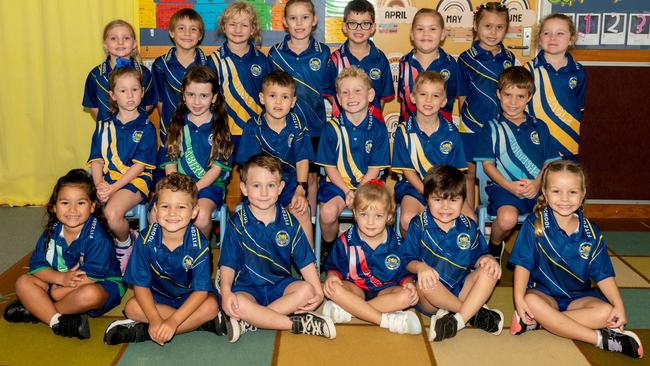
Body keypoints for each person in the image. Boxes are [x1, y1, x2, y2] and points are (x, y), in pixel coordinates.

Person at [509, 161, 643, 359]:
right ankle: (600, 340)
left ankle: (539, 322)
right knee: (531, 302)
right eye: (556, 191)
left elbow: (603, 274)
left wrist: (619, 305)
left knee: (607, 312)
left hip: (578, 298)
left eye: (572, 192)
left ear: (583, 194)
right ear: (544, 192)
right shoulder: (534, 224)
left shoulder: (591, 233)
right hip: (544, 295)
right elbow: (523, 264)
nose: (564, 199)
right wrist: (519, 299)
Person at [219, 155, 336, 342]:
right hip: (247, 288)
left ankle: (253, 320)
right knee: (238, 302)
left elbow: (305, 261)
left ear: (280, 188)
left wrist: (318, 291)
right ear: (244, 189)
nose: (264, 192)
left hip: (280, 287)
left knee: (307, 290)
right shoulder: (237, 224)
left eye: (271, 185)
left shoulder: (290, 222)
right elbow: (227, 263)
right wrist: (225, 292)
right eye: (256, 186)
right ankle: (297, 324)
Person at [104, 173, 228, 345]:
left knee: (211, 306)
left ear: (194, 212)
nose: (172, 213)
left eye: (181, 207)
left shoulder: (200, 245)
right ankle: (198, 324)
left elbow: (200, 292)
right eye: (165, 206)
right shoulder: (145, 240)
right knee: (132, 308)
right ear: (155, 209)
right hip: (158, 299)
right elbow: (140, 285)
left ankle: (145, 332)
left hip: (190, 299)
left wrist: (173, 322)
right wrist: (155, 319)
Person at [3, 169, 125, 339]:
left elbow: (93, 276)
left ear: (92, 206)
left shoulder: (97, 236)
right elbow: (37, 267)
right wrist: (60, 279)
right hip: (60, 283)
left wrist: (56, 293)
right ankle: (56, 321)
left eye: (80, 203)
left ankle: (38, 310)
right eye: (65, 203)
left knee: (91, 295)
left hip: (98, 284)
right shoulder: (52, 231)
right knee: (23, 282)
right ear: (53, 207)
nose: (72, 209)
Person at [402, 165, 503, 342]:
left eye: (453, 200)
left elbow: (478, 257)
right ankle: (472, 313)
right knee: (425, 283)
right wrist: (420, 267)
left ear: (463, 201)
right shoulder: (418, 225)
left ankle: (456, 321)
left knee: (491, 270)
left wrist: (487, 259)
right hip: (431, 297)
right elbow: (407, 260)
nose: (445, 207)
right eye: (438, 200)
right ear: (427, 199)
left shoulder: (469, 227)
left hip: (461, 289)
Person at [473, 66, 559, 261]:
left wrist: (537, 183)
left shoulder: (540, 126)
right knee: (506, 220)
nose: (513, 102)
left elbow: (549, 162)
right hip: (503, 188)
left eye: (520, 96)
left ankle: (545, 259)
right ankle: (494, 247)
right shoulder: (491, 127)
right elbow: (487, 165)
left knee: (556, 217)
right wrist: (509, 186)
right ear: (498, 94)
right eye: (508, 95)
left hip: (538, 188)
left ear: (529, 97)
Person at [322, 180, 421, 335]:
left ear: (389, 216)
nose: (370, 222)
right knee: (332, 288)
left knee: (408, 295)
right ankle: (386, 319)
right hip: (356, 290)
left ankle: (352, 310)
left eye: (378, 216)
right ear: (354, 213)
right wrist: (332, 277)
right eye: (364, 214)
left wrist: (409, 283)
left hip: (385, 292)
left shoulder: (397, 244)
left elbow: (405, 274)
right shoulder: (345, 241)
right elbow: (333, 267)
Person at [268, 0, 335, 222]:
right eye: (293, 18)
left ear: (314, 21)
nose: (299, 23)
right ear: (285, 22)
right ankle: (281, 229)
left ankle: (312, 230)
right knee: (280, 178)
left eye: (304, 17)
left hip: (314, 129)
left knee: (312, 179)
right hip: (283, 130)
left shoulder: (324, 53)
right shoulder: (275, 54)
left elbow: (330, 94)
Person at [316, 66, 390, 262]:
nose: (352, 96)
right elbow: (329, 166)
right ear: (338, 99)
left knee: (374, 212)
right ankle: (329, 247)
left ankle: (372, 253)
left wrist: (359, 192)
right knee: (328, 212)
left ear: (370, 94)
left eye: (358, 91)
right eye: (345, 92)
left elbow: (376, 167)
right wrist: (347, 191)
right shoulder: (331, 128)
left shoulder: (379, 128)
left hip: (369, 184)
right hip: (337, 186)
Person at [87, 67, 157, 274]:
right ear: (113, 95)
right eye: (123, 91)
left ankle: (126, 242)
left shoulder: (146, 126)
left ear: (142, 92)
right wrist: (99, 185)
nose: (130, 95)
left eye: (135, 89)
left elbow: (140, 166)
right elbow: (97, 161)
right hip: (107, 181)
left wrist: (113, 188)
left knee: (110, 214)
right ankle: (93, 253)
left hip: (135, 181)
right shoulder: (103, 126)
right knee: (84, 209)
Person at [236, 70, 314, 246]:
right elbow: (247, 169)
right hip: (261, 187)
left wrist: (301, 190)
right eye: (273, 96)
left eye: (285, 97)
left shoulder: (298, 126)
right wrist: (264, 191)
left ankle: (311, 267)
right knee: (259, 214)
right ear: (262, 98)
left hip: (290, 186)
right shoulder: (253, 127)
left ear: (293, 102)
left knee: (301, 211)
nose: (278, 102)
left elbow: (302, 159)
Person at [158, 65, 233, 239]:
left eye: (204, 96)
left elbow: (216, 169)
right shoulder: (176, 123)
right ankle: (167, 255)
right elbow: (170, 163)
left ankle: (201, 253)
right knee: (156, 215)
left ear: (214, 98)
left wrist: (193, 189)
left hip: (208, 187)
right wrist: (176, 189)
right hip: (177, 186)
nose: (197, 102)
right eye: (191, 95)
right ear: (184, 96)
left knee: (201, 217)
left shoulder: (219, 126)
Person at [392, 71, 468, 235]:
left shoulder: (451, 132)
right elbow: (407, 171)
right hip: (414, 188)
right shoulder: (403, 131)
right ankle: (410, 255)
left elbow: (457, 173)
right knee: (407, 219)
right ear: (413, 97)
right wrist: (427, 192)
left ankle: (454, 257)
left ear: (444, 101)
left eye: (435, 96)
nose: (428, 100)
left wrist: (443, 196)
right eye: (423, 94)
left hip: (447, 189)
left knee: (470, 220)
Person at [457, 2, 516, 213]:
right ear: (475, 25)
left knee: (497, 173)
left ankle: (493, 217)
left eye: (499, 27)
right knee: (469, 174)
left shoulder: (509, 59)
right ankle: (470, 218)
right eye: (487, 26)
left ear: (506, 29)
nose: (493, 32)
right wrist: (468, 122)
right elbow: (462, 96)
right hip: (472, 127)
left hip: (500, 128)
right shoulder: (465, 59)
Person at [207, 2, 271, 152]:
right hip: (223, 129)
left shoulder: (262, 60)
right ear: (223, 26)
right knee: (221, 174)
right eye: (233, 24)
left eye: (244, 25)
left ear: (253, 29)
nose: (237, 30)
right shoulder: (214, 61)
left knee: (253, 172)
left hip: (255, 130)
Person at [524, 14, 586, 160]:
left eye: (560, 33)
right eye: (547, 33)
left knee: (565, 181)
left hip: (568, 142)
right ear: (539, 38)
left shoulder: (578, 71)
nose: (552, 37)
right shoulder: (528, 70)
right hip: (536, 142)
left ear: (571, 39)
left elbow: (580, 107)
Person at [326, 0, 394, 121]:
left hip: (372, 126)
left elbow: (383, 97)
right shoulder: (335, 59)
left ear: (372, 27)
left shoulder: (380, 59)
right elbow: (331, 93)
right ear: (344, 27)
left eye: (365, 23)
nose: (359, 29)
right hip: (342, 125)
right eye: (353, 23)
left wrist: (373, 116)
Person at [152, 8, 208, 142]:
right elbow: (159, 100)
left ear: (200, 35)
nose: (187, 34)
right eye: (181, 28)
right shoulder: (160, 65)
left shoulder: (208, 64)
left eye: (193, 29)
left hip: (201, 132)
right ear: (171, 32)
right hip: (171, 130)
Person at [82, 19, 155, 122]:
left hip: (137, 132)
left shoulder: (144, 73)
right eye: (113, 38)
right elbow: (93, 105)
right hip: (107, 132)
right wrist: (108, 123)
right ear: (105, 44)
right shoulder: (95, 75)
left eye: (126, 38)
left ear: (134, 44)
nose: (120, 42)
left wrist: (130, 117)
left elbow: (150, 102)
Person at [398, 8, 458, 124]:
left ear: (443, 34)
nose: (426, 33)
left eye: (432, 29)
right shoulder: (404, 63)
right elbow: (403, 99)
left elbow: (450, 98)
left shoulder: (451, 64)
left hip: (441, 132)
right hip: (408, 130)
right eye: (420, 29)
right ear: (411, 34)